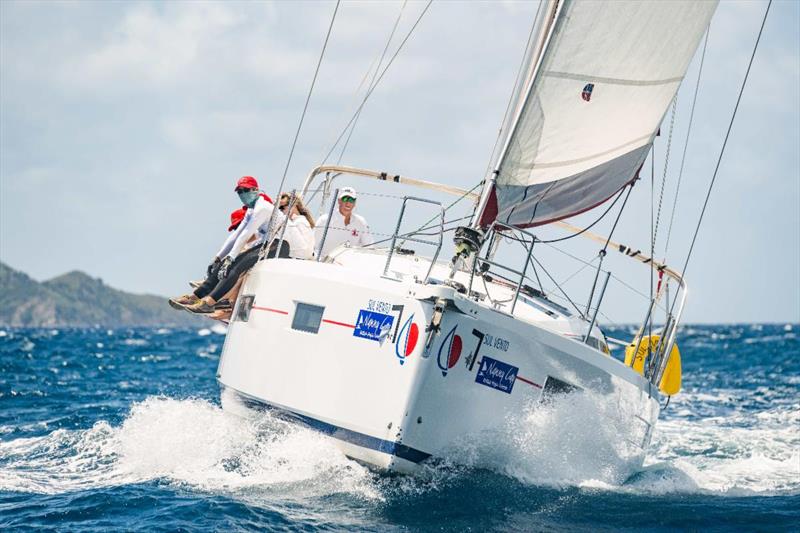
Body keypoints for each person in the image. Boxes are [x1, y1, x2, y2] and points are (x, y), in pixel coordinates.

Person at [170, 175, 286, 314]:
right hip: (269, 243)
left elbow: (246, 234)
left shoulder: (262, 208)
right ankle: (195, 297)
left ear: (256, 190)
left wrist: (231, 257)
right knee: (226, 263)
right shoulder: (251, 209)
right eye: (240, 192)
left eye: (245, 190)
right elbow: (235, 235)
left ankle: (209, 303)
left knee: (236, 266)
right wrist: (219, 257)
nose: (242, 194)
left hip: (282, 245)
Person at [314, 187, 373, 258]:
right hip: (324, 263)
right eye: (345, 199)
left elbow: (369, 247)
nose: (348, 203)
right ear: (339, 201)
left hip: (350, 265)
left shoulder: (361, 222)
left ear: (354, 203)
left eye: (351, 200)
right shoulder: (324, 220)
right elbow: (313, 246)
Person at [277, 192, 316, 260]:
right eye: (279, 208)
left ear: (293, 205)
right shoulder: (297, 221)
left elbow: (306, 251)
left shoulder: (300, 222)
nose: (281, 211)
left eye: (282, 207)